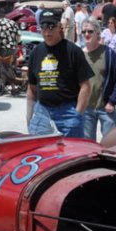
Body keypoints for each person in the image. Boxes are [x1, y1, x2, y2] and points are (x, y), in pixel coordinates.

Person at [27, 9, 92, 138]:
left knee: (71, 154)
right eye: (43, 27)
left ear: (59, 27)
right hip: (42, 111)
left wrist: (77, 114)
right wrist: (29, 116)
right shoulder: (35, 53)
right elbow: (31, 88)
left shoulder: (73, 51)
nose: (47, 31)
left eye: (51, 26)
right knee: (41, 152)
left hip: (68, 111)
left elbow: (86, 86)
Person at [80, 19, 116, 141]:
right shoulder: (78, 55)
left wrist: (112, 101)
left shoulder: (109, 54)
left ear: (97, 33)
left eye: (90, 31)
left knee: (110, 143)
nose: (86, 34)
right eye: (83, 31)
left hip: (105, 107)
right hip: (86, 109)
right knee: (87, 145)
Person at [0, 12, 23, 91]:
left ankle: (4, 86)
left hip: (0, 49)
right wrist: (16, 46)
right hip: (12, 49)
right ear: (6, 16)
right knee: (10, 67)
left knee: (1, 68)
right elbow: (18, 36)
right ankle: (12, 86)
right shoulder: (13, 23)